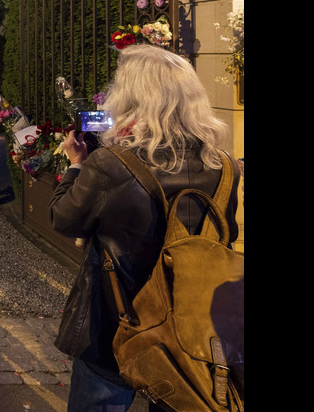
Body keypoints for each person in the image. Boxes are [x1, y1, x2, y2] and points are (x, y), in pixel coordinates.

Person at [49, 45, 239, 411]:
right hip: (189, 326)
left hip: (117, 321)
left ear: (132, 97)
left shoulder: (111, 165)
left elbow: (63, 217)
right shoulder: (224, 165)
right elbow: (222, 236)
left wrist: (76, 165)